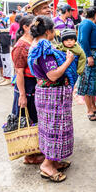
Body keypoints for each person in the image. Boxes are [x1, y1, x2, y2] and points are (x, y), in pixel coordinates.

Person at [28, 16, 76, 183]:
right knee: (55, 130)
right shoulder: (44, 48)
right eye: (53, 30)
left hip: (46, 93)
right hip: (52, 95)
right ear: (48, 31)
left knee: (51, 128)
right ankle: (47, 165)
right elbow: (53, 75)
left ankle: (54, 160)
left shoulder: (34, 45)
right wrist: (69, 60)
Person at [10, 14, 44, 165]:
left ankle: (35, 151)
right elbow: (19, 72)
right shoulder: (20, 46)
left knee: (35, 119)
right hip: (26, 87)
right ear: (25, 27)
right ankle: (29, 156)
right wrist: (22, 95)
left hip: (34, 84)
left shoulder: (33, 41)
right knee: (27, 120)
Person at [77, 7, 96, 121]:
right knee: (88, 83)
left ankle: (93, 107)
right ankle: (89, 110)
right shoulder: (87, 23)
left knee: (93, 83)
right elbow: (83, 40)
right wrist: (89, 56)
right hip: (91, 55)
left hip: (95, 54)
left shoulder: (89, 24)